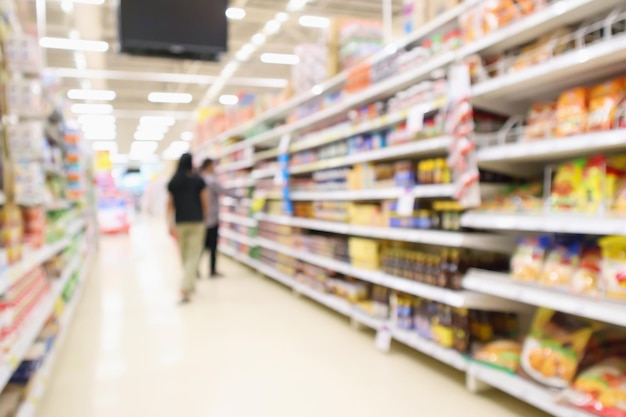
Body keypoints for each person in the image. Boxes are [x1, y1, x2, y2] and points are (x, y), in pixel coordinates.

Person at [167, 153, 209, 303]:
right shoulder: (198, 180)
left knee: (184, 254)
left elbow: (170, 204)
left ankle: (188, 282)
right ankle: (185, 286)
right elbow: (205, 201)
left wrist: (169, 223)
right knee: (193, 255)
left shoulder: (173, 181)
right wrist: (205, 217)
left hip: (180, 222)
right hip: (196, 222)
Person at [200, 158, 239, 278]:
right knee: (212, 245)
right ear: (208, 166)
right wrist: (240, 196)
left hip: (201, 218)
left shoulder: (200, 179)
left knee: (202, 245)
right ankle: (212, 270)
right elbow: (224, 191)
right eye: (213, 165)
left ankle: (195, 268)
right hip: (211, 217)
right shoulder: (211, 180)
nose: (214, 168)